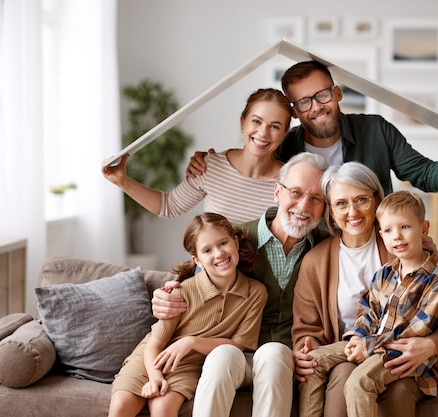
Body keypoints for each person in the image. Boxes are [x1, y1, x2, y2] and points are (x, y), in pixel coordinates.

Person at [151, 152, 329, 417]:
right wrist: (165, 293)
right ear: (277, 192)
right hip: (234, 351)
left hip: (284, 359)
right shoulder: (237, 240)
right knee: (222, 355)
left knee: (273, 353)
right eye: (296, 192)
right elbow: (199, 272)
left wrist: (315, 343)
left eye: (316, 198)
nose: (304, 206)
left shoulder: (325, 249)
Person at [292, 162, 438, 417]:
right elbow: (305, 328)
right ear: (330, 211)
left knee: (391, 389)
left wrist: (430, 345)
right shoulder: (316, 261)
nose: (352, 211)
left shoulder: (405, 248)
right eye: (341, 203)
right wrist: (307, 347)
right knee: (342, 378)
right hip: (350, 348)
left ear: (376, 199)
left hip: (405, 350)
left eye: (361, 200)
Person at [185, 60, 438, 195]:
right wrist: (209, 163)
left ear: (337, 93)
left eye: (322, 95)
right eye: (304, 102)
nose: (316, 107)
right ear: (293, 112)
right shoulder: (285, 146)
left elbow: (423, 175)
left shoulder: (376, 130)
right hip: (310, 255)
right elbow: (248, 168)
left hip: (371, 244)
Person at [107, 212, 268, 417]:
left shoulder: (255, 293)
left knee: (163, 410)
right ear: (197, 260)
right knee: (121, 406)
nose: (218, 254)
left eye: (223, 243)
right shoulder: (181, 292)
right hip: (151, 359)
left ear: (236, 243)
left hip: (188, 367)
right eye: (207, 250)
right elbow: (153, 345)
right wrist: (155, 377)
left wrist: (191, 342)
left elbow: (237, 345)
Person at [102, 88, 292, 225]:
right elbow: (169, 206)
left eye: (274, 126)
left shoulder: (289, 181)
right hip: (209, 274)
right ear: (243, 121)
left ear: (285, 133)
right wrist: (122, 181)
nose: (263, 133)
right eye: (256, 121)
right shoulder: (211, 166)